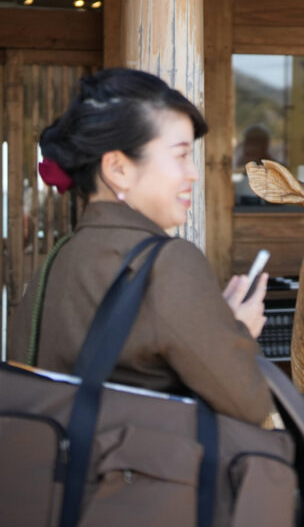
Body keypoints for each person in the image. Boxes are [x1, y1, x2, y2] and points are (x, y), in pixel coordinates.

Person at [9, 67, 272, 425]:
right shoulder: (165, 262)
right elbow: (249, 405)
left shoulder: (55, 260)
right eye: (180, 155)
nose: (193, 173)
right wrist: (237, 331)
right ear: (117, 168)